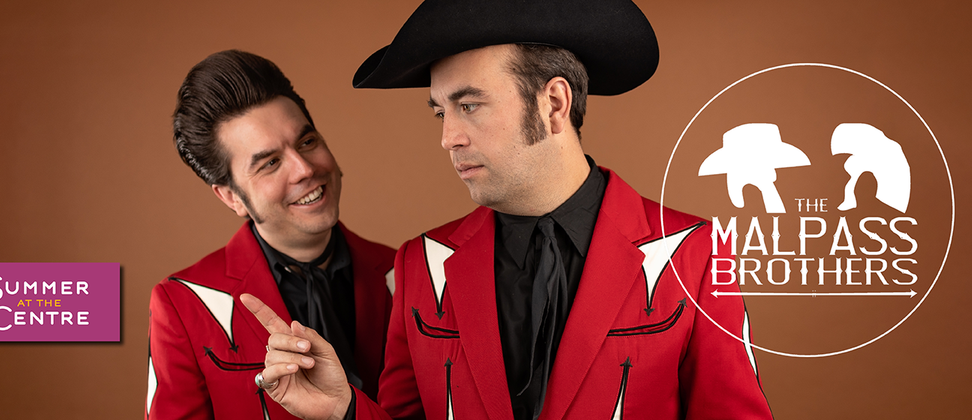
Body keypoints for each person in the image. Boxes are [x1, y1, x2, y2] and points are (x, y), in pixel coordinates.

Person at [245, 1, 773, 419]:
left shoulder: (695, 253)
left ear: (554, 104)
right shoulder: (422, 264)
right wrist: (344, 410)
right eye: (441, 112)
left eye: (469, 105)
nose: (449, 137)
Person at [145, 50, 396, 420]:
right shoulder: (182, 304)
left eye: (307, 142)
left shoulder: (407, 272)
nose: (304, 169)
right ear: (231, 197)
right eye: (270, 163)